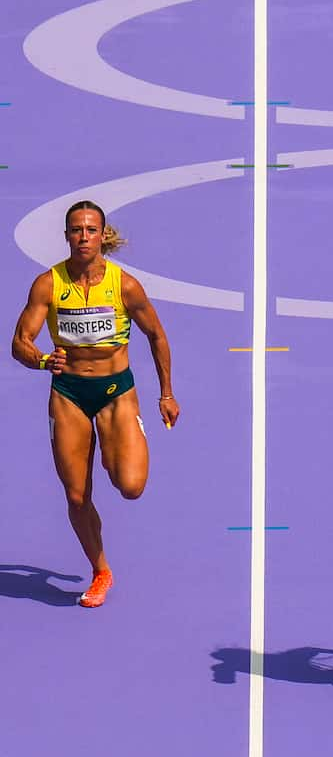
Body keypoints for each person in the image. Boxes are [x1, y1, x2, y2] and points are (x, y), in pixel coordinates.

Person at [9, 200, 179, 607]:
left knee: (130, 486)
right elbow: (20, 343)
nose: (83, 237)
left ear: (102, 235)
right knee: (76, 497)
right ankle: (101, 571)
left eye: (90, 230)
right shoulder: (48, 285)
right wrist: (43, 359)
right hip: (68, 395)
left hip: (115, 392)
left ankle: (114, 445)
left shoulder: (125, 286)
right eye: (75, 230)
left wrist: (166, 393)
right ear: (66, 236)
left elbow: (156, 335)